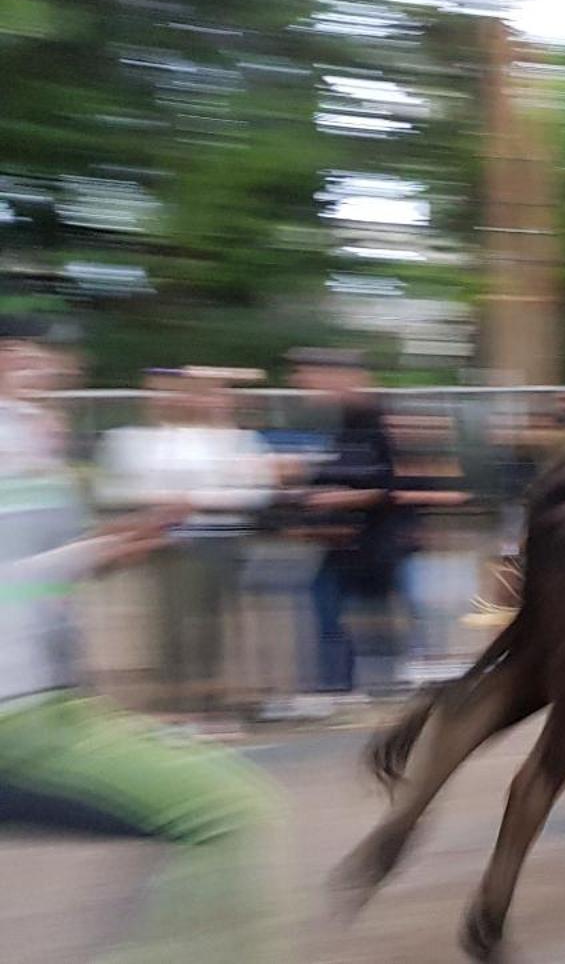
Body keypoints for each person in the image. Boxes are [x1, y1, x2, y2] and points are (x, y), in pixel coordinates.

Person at [0, 316, 285, 961]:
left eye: (36, 352)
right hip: (17, 716)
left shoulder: (28, 436)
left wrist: (110, 544)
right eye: (20, 353)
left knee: (227, 805)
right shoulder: (18, 437)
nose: (41, 365)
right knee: (228, 813)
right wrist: (96, 548)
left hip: (49, 704)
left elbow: (30, 568)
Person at [95, 368, 276, 714]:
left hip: (219, 539)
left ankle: (206, 694)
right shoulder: (132, 440)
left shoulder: (231, 439)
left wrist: (195, 500)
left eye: (175, 391)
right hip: (165, 542)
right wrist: (159, 502)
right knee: (170, 624)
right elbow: (111, 488)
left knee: (212, 623)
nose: (169, 399)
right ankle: (177, 696)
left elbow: (254, 491)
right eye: (158, 392)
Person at [289, 348, 406, 693]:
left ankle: (382, 688)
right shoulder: (337, 422)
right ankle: (338, 687)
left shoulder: (374, 421)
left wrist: (337, 497)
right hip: (339, 544)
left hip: (372, 545)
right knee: (331, 614)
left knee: (371, 619)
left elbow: (385, 485)